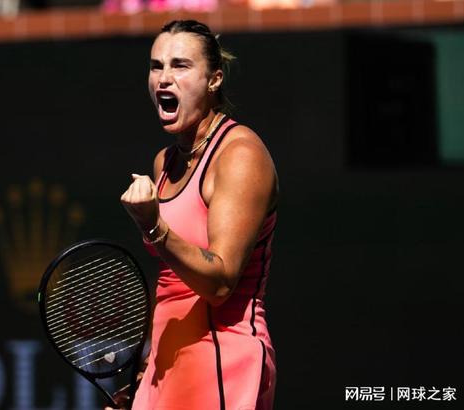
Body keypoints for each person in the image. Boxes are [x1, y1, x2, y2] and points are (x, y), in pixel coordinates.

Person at [116, 20, 279, 410]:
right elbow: (170, 282)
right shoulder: (165, 162)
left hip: (223, 360)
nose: (164, 78)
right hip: (168, 362)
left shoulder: (240, 156)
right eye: (156, 66)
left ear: (214, 80)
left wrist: (154, 226)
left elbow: (220, 284)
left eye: (181, 65)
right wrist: (147, 367)